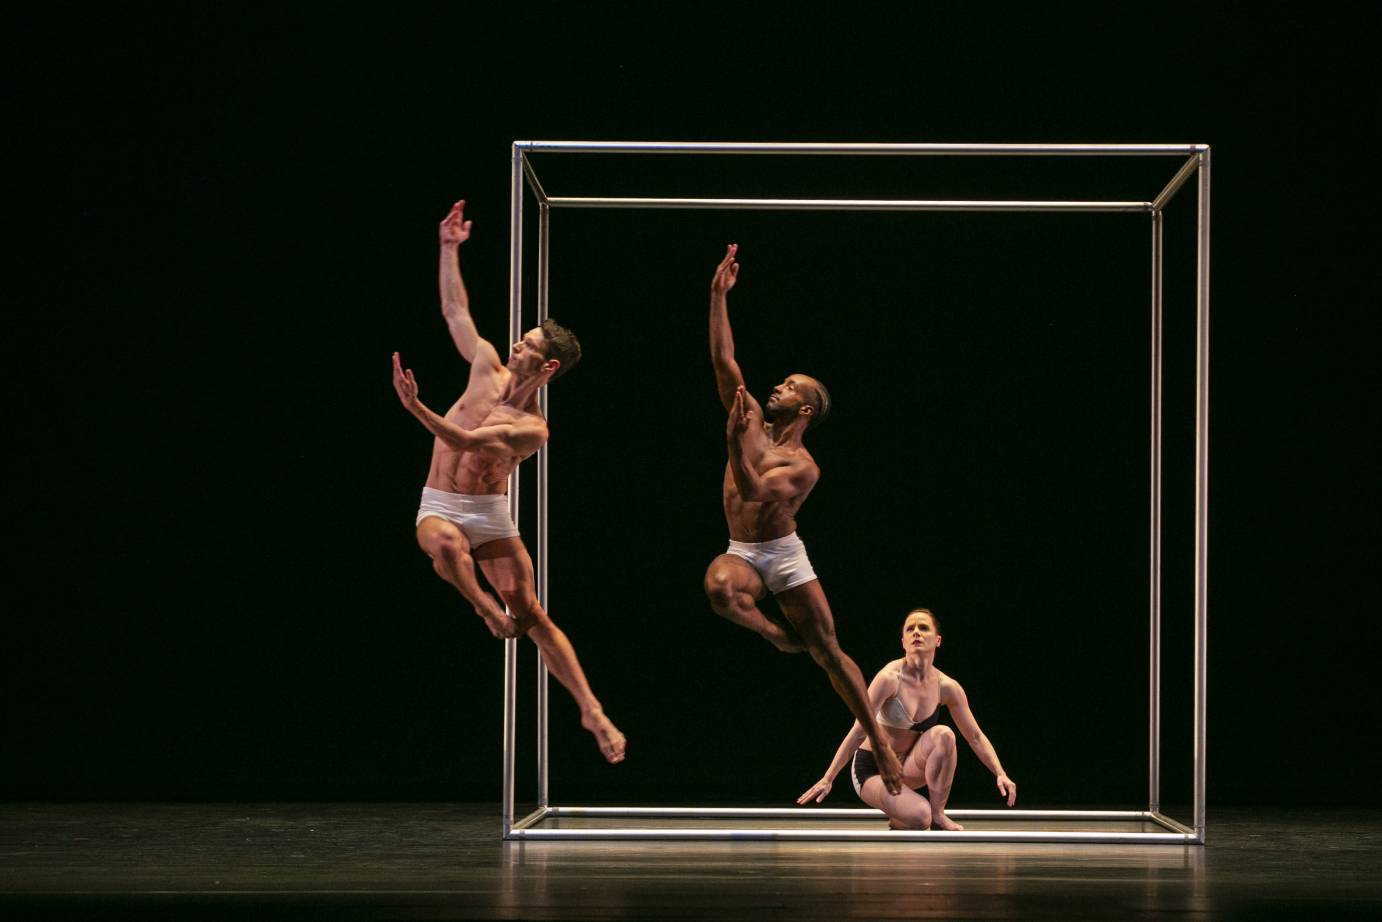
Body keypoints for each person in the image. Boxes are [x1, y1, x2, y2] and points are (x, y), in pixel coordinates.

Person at [391, 199, 625, 764]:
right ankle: (482, 608)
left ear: (547, 368)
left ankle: (591, 710)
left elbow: (467, 442)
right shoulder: (484, 362)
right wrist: (449, 248)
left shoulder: (534, 429)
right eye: (520, 338)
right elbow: (454, 310)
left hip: (489, 512)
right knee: (445, 546)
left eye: (528, 346)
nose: (515, 345)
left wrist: (416, 407)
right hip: (442, 503)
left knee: (535, 614)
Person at [703, 243, 903, 795]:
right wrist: (718, 296)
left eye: (790, 387)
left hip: (783, 555)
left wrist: (732, 446)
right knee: (719, 589)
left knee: (829, 651)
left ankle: (880, 743)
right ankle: (773, 634)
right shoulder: (747, 422)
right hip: (743, 551)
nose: (777, 388)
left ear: (806, 409)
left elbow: (753, 488)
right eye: (781, 383)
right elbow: (725, 363)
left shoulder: (804, 466)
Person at [797, 608, 1016, 830]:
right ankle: (910, 814)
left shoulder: (947, 687)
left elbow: (976, 736)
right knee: (921, 818)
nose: (916, 633)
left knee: (945, 734)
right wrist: (828, 777)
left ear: (938, 640)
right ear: (903, 642)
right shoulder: (889, 678)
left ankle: (938, 814)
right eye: (910, 629)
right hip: (874, 769)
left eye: (923, 628)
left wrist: (1000, 773)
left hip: (909, 766)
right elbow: (858, 730)